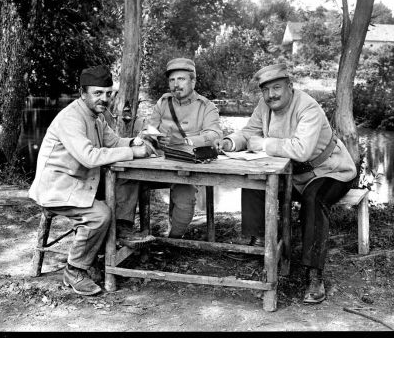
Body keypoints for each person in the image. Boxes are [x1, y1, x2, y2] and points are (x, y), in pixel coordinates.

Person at [220, 63, 357, 304]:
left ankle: (314, 274)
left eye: (277, 87)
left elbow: (302, 150)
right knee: (254, 182)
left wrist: (263, 144)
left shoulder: (307, 107)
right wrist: (231, 142)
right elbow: (249, 132)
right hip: (292, 174)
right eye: (266, 90)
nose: (271, 94)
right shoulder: (265, 106)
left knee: (314, 199)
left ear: (290, 87)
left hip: (329, 170)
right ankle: (261, 243)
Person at [29, 65, 148, 296]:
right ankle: (74, 270)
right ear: (82, 93)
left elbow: (113, 143)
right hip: (58, 187)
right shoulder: (71, 118)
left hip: (79, 181)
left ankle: (121, 229)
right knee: (100, 215)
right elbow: (90, 156)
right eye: (97, 93)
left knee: (129, 178)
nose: (104, 99)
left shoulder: (96, 115)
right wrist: (133, 153)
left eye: (107, 93)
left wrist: (136, 143)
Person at [116, 58, 223, 239]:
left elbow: (213, 135)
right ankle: (123, 228)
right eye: (172, 80)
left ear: (193, 81)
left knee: (185, 201)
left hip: (186, 164)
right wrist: (143, 140)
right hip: (158, 160)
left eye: (181, 79)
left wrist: (184, 142)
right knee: (126, 173)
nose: (175, 85)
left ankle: (172, 240)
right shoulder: (163, 103)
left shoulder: (207, 107)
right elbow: (150, 129)